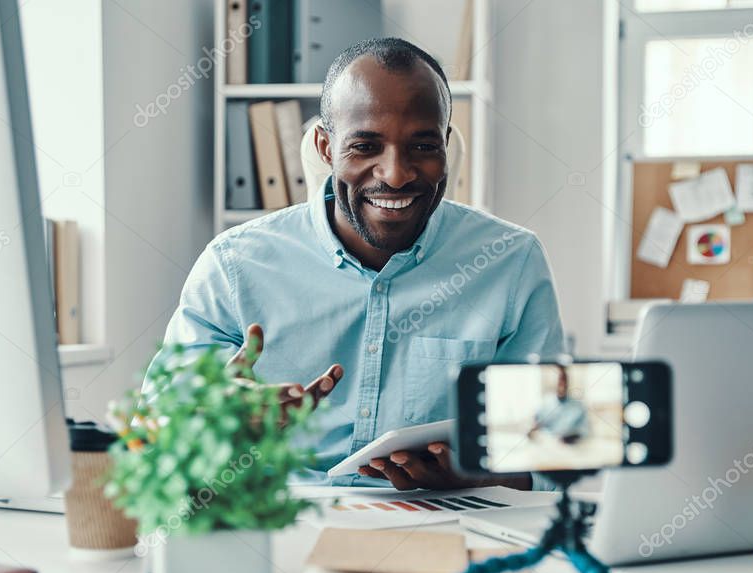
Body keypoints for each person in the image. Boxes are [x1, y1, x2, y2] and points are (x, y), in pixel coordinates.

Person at [150, 37, 564, 490]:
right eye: (365, 146)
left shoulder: (510, 262)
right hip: (279, 522)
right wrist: (218, 418)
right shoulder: (234, 266)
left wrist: (473, 475)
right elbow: (154, 436)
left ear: (446, 145)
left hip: (441, 526)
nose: (396, 174)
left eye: (422, 147)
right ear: (326, 148)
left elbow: (552, 458)